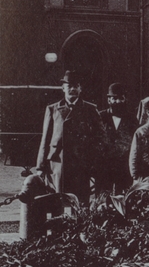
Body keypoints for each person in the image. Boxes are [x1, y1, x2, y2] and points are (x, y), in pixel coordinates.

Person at [37, 70, 106, 203]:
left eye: (76, 86)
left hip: (81, 163)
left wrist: (92, 158)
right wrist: (40, 166)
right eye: (69, 86)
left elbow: (101, 137)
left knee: (80, 201)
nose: (72, 89)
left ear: (80, 89)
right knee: (57, 200)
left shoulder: (90, 109)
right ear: (63, 88)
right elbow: (45, 139)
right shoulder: (53, 109)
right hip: (58, 162)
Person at [97, 82, 134, 194]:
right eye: (114, 98)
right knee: (103, 196)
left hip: (124, 166)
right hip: (104, 166)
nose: (118, 101)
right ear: (109, 100)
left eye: (121, 98)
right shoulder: (100, 117)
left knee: (124, 196)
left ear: (125, 99)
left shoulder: (132, 119)